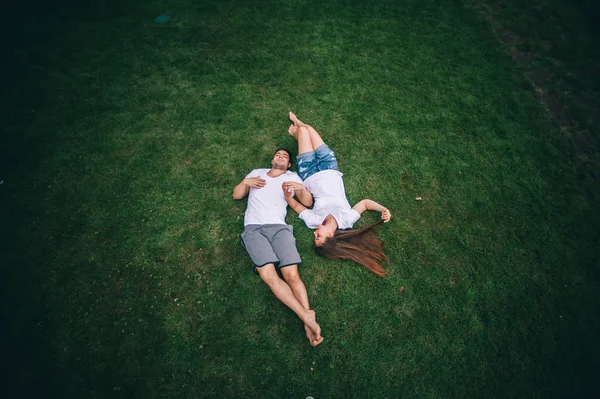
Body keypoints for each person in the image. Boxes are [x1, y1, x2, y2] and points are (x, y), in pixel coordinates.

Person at [232, 148, 324, 346]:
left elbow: (307, 202)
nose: (281, 157)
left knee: (291, 275)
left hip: (280, 228)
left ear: (289, 165)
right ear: (272, 159)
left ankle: (308, 325)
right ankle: (307, 317)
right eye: (278, 155)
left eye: (285, 156)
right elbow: (237, 195)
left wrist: (299, 188)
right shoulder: (256, 173)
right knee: (269, 276)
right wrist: (245, 183)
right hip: (253, 229)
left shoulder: (292, 176)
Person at [283, 112, 392, 277]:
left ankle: (298, 132)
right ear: (331, 235)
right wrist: (382, 208)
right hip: (330, 166)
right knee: (309, 129)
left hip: (308, 171)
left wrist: (287, 194)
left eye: (315, 236)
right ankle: (297, 126)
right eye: (319, 236)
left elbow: (296, 205)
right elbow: (365, 203)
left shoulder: (313, 221)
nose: (315, 233)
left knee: (305, 132)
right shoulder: (346, 220)